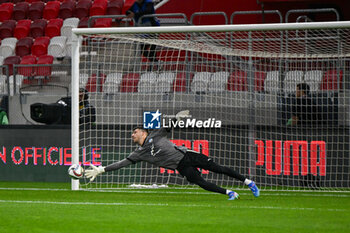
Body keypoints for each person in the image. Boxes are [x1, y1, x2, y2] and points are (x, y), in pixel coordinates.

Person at [85, 110, 260, 200]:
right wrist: (102, 170)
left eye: (135, 132)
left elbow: (169, 125)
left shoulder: (155, 134)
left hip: (188, 156)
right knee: (200, 182)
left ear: (143, 133)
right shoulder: (138, 153)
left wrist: (177, 117)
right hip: (180, 166)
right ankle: (230, 193)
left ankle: (248, 182)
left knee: (218, 169)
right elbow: (122, 163)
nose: (132, 135)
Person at [126, 0, 160, 70]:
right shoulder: (135, 4)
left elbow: (148, 11)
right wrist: (128, 13)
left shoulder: (149, 3)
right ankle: (156, 62)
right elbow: (128, 11)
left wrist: (135, 14)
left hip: (153, 28)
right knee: (143, 50)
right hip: (143, 30)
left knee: (152, 49)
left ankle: (153, 66)